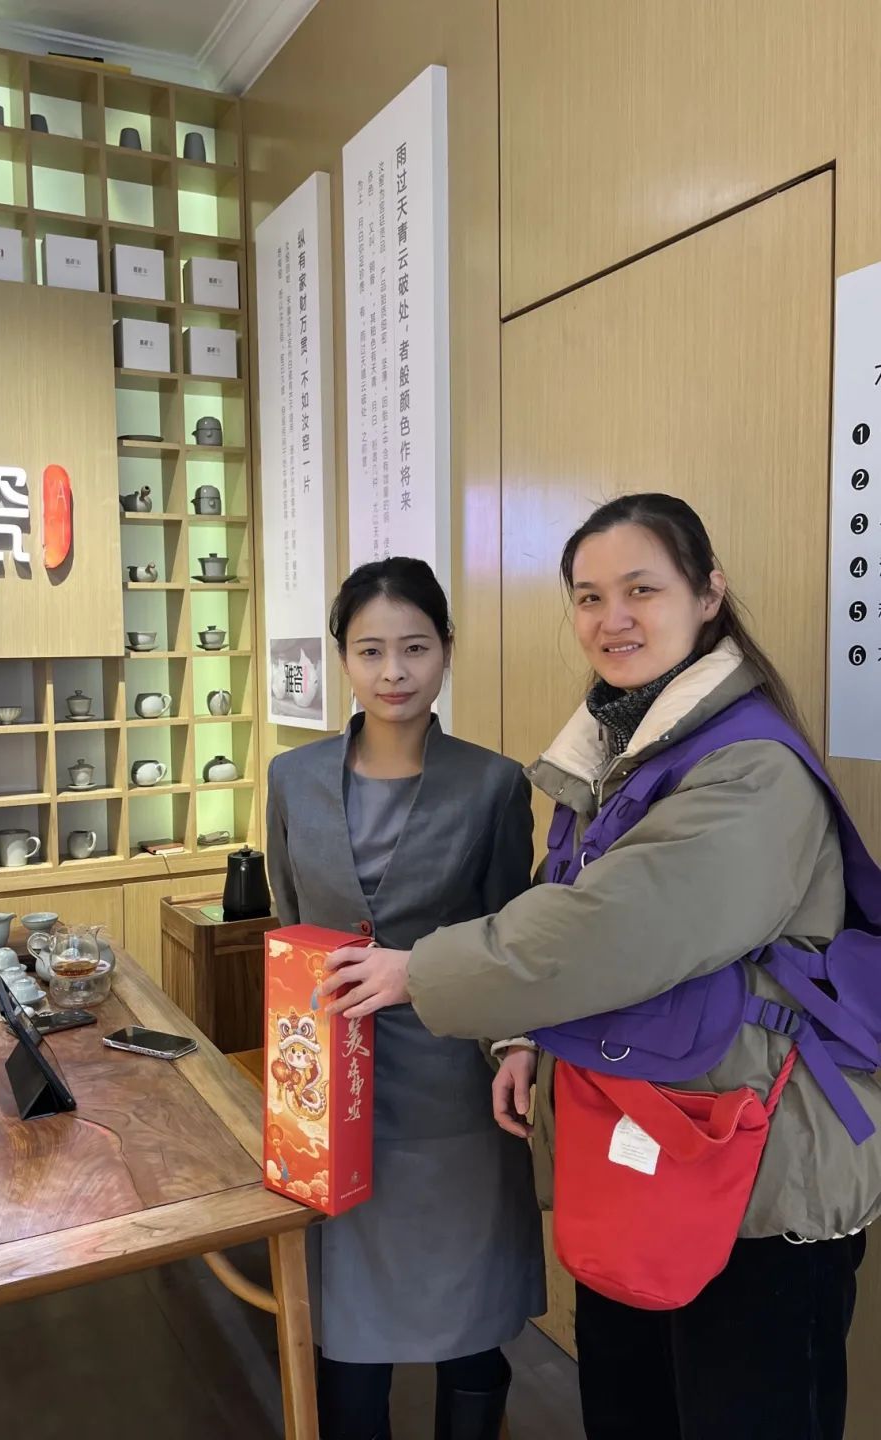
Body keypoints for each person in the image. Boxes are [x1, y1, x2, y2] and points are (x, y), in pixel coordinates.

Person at [319, 495, 881, 1440]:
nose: (612, 618)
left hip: (760, 1171)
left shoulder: (752, 768)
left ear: (709, 595)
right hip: (643, 1147)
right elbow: (565, 908)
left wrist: (420, 973)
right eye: (588, 597)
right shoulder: (618, 751)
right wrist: (526, 1037)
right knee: (627, 1407)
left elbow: (611, 928)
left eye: (641, 590)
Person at [266, 556, 545, 1440]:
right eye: (371, 650)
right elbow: (290, 926)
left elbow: (511, 937)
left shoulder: (494, 783)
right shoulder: (292, 778)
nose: (394, 672)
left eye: (416, 648)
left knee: (469, 1326)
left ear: (447, 651)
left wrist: (518, 1046)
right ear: (343, 658)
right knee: (346, 1337)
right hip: (330, 1095)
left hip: (454, 1097)